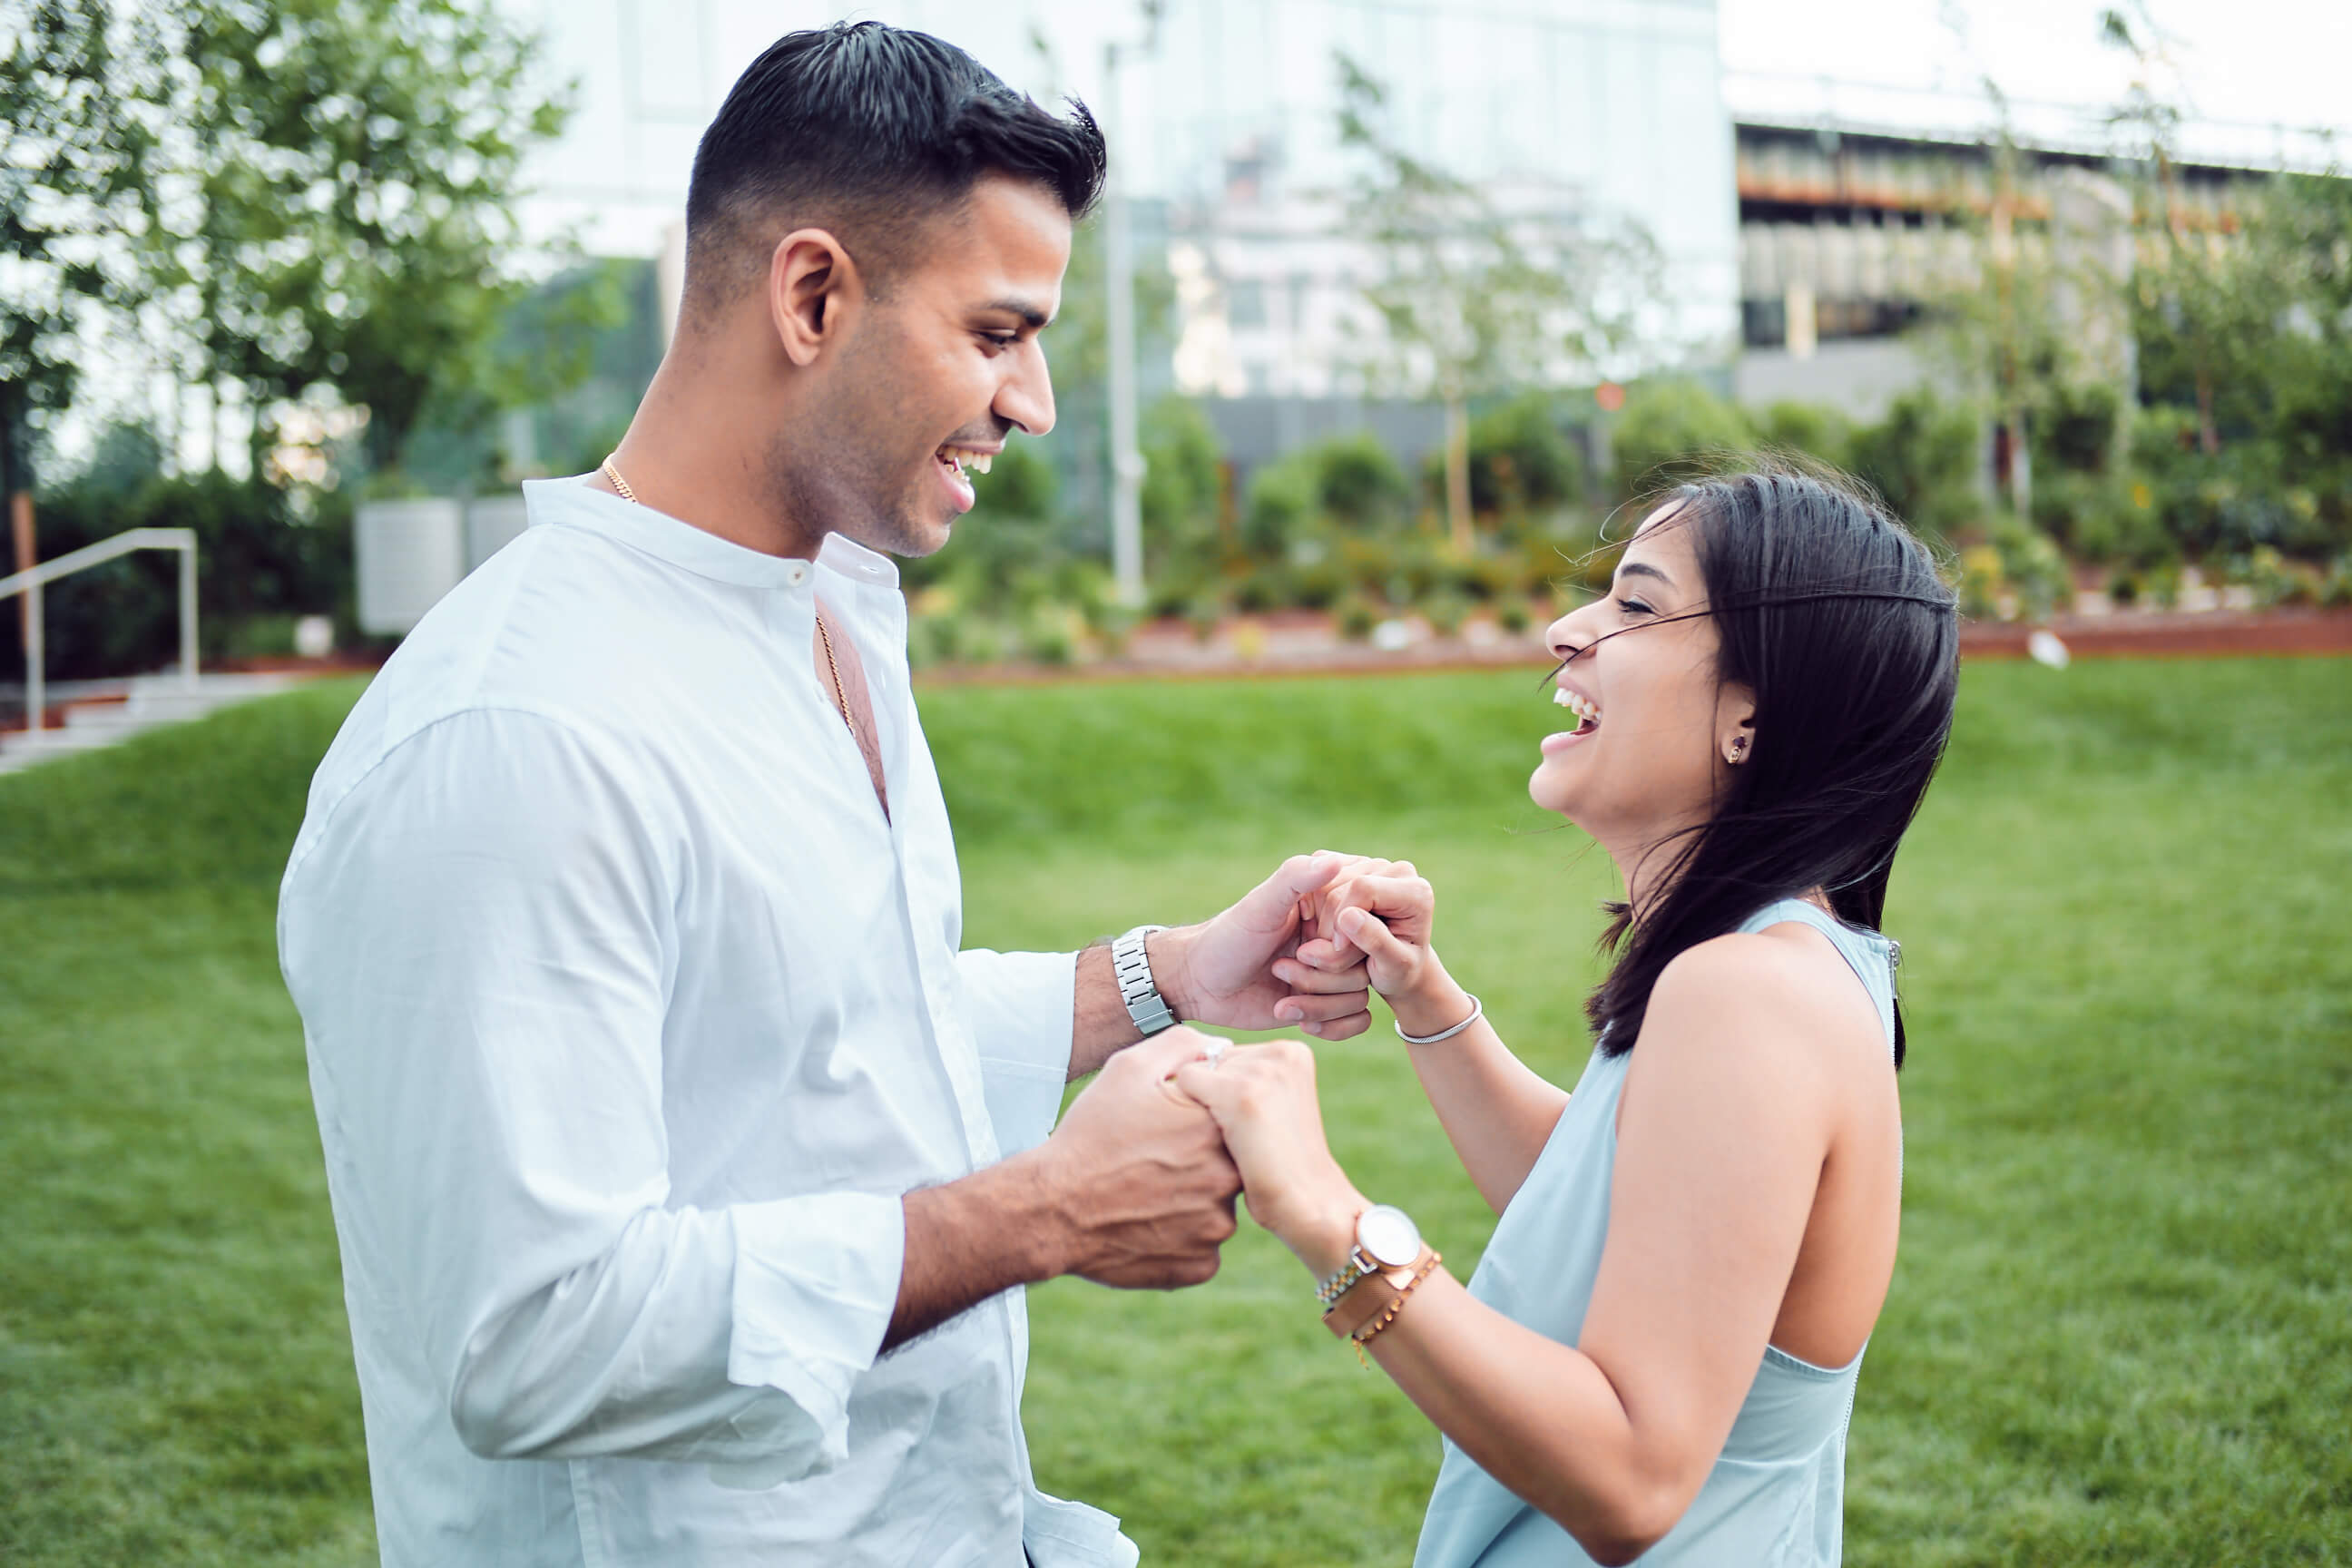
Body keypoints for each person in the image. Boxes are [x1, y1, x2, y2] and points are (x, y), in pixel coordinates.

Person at [277, 24, 1378, 1568]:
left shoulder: (839, 602)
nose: (1036, 401)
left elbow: (817, 1046)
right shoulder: (512, 736)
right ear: (812, 296)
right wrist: (1044, 1212)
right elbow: (527, 1333)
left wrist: (1157, 979)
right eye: (997, 331)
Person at [1169, 467, 1960, 1565]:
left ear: (1753, 711)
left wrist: (1323, 1210)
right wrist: (1425, 998)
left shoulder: (1748, 996)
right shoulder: (1787, 961)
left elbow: (1633, 1476)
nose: (1563, 630)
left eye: (1635, 605)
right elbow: (1622, 1210)